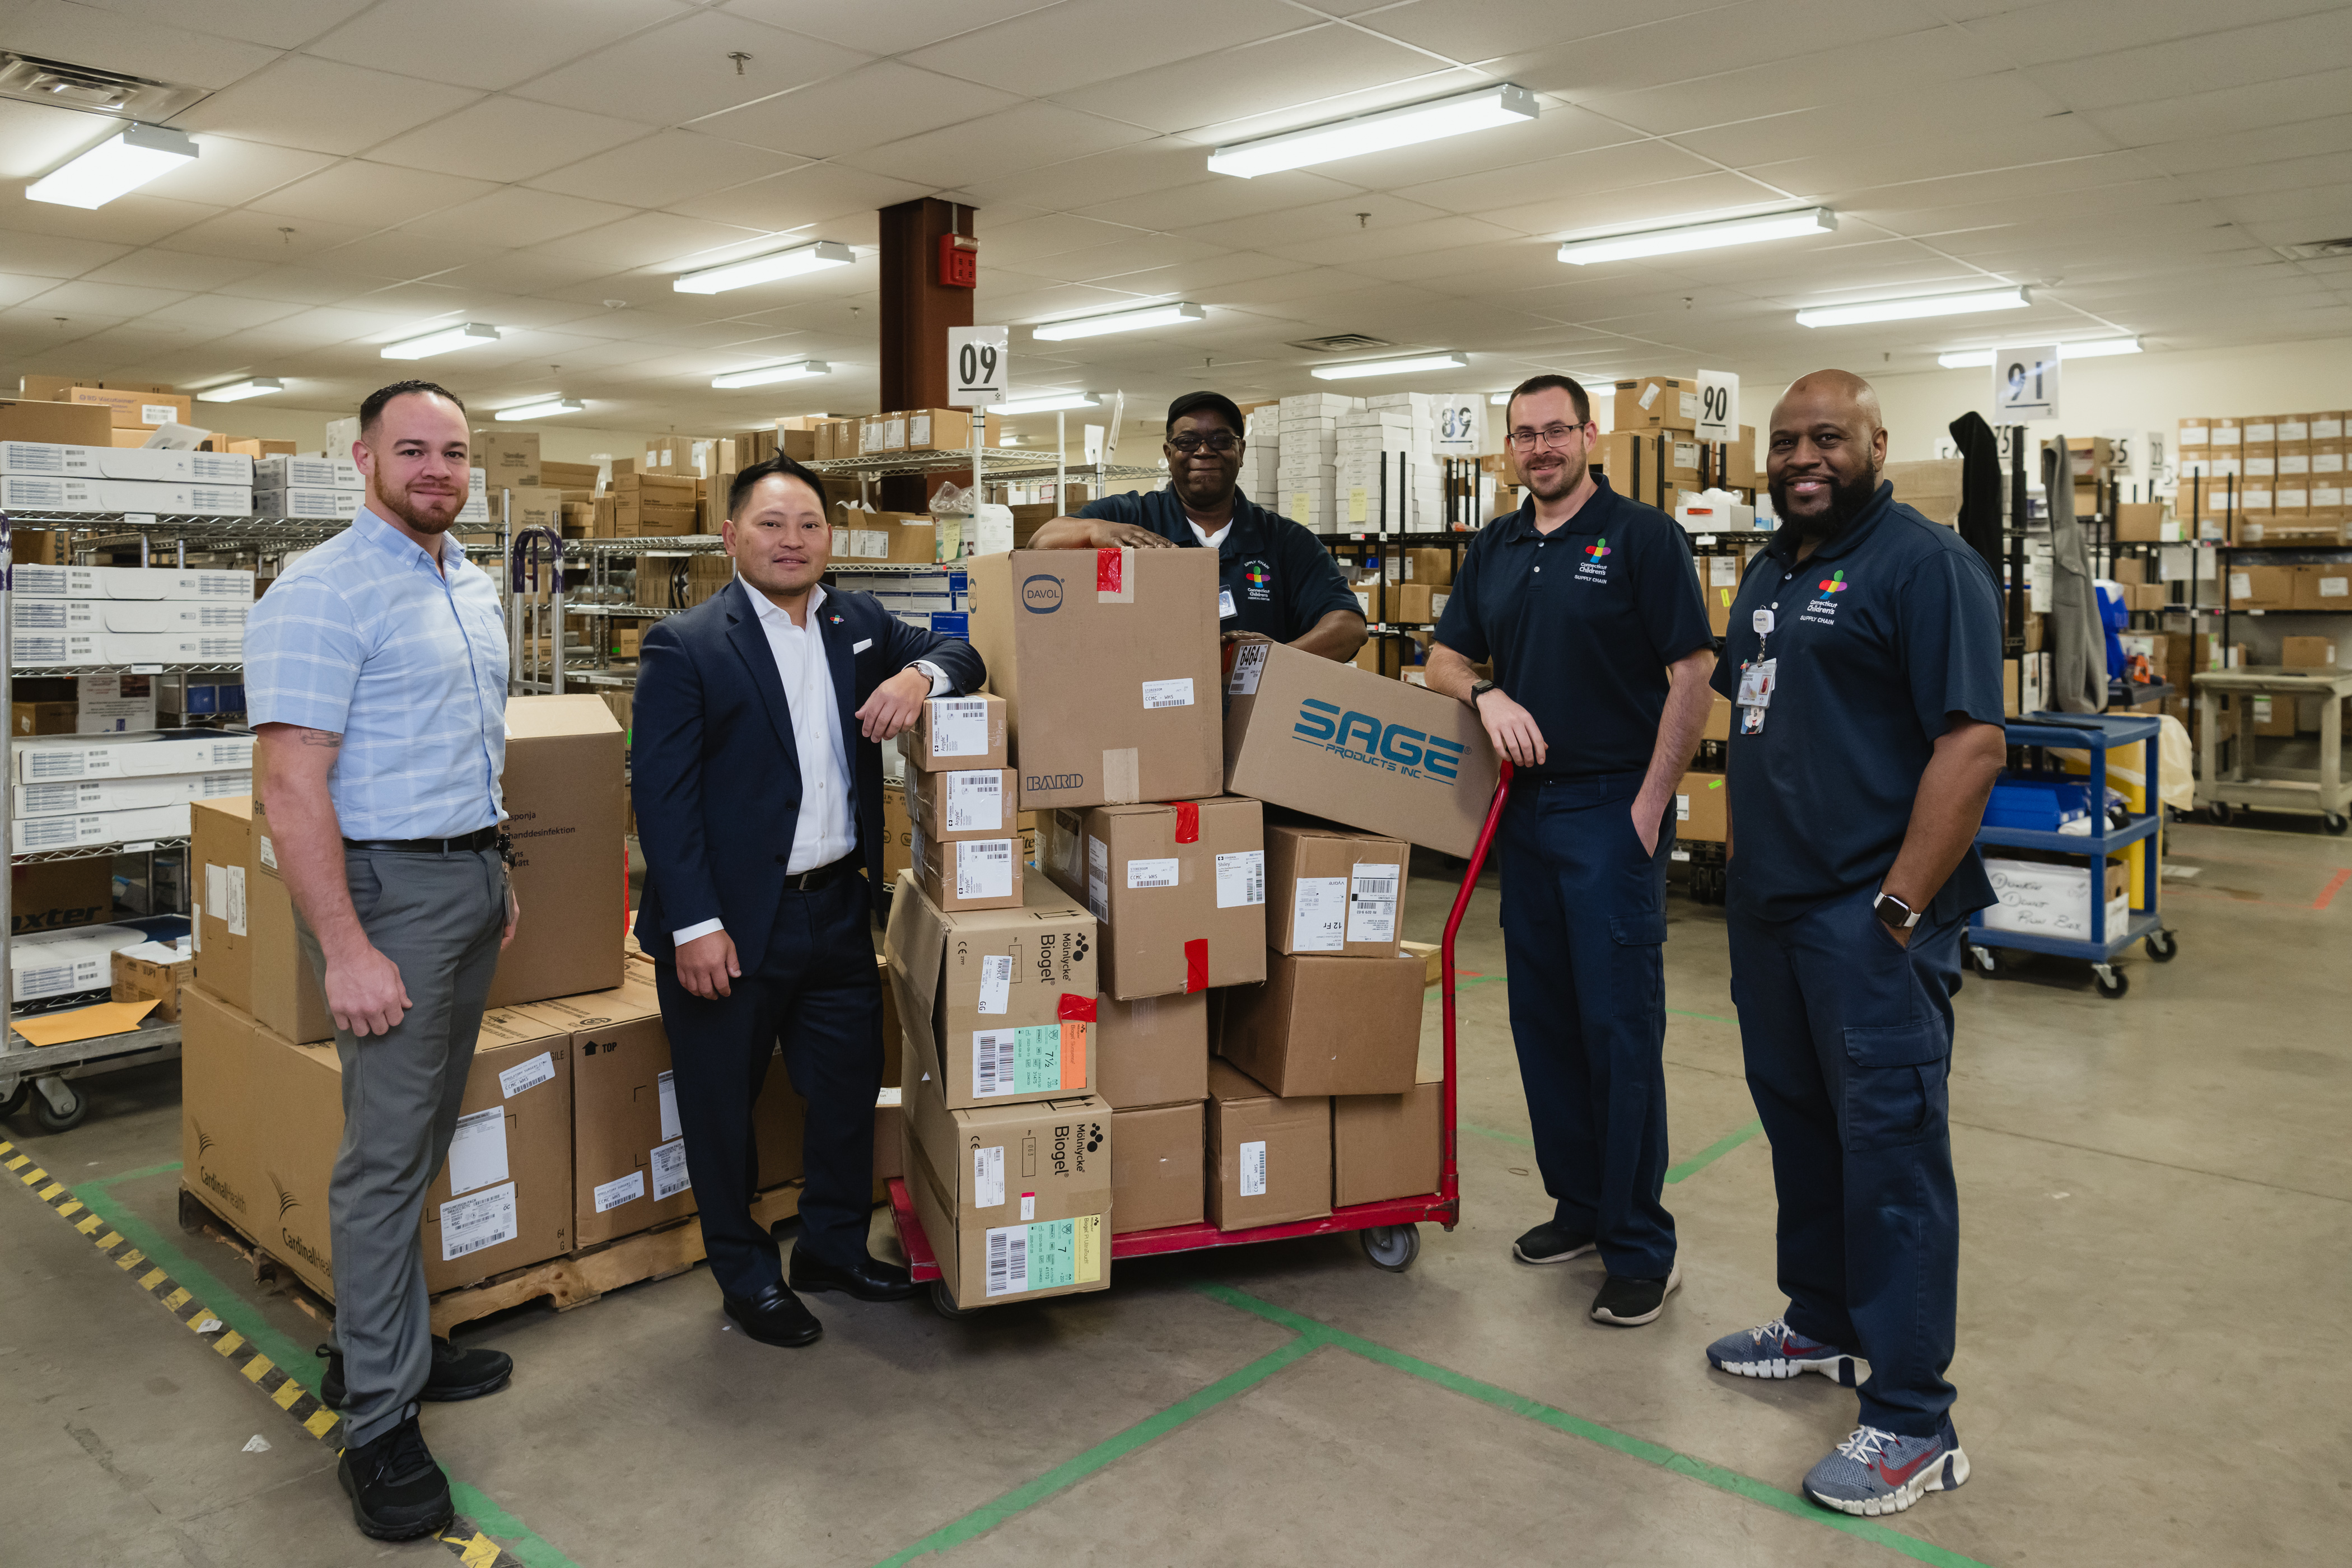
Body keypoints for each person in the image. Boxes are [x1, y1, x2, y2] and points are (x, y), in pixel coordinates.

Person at [1703, 370, 2005, 1518]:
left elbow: (1971, 744)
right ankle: (1823, 1321)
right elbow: (1767, 718)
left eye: (1827, 436)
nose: (1801, 456)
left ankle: (1915, 1416)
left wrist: (1898, 905)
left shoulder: (1927, 566)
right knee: (1804, 1126)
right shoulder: (1775, 565)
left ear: (1877, 442)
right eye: (1784, 441)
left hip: (1867, 920)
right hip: (1773, 912)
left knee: (1891, 1158)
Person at [245, 380, 518, 1543]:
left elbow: (474, 739)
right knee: (384, 1156)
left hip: (465, 878)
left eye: (453, 452)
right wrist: (346, 945)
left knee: (423, 1129)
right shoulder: (320, 589)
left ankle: (388, 1339)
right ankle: (378, 1416)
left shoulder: (470, 579)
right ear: (363, 458)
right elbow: (289, 784)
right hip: (387, 897)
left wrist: (497, 873)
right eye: (413, 449)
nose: (436, 469)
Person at [631, 452, 984, 1351]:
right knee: (723, 1105)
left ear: (831, 538)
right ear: (731, 537)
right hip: (732, 924)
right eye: (770, 524)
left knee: (845, 1087)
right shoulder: (688, 644)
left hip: (836, 908)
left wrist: (919, 679)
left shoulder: (856, 623)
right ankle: (746, 1274)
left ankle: (828, 1246)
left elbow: (965, 652)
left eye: (809, 526)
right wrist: (695, 925)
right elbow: (661, 802)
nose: (792, 541)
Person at [1424, 374, 1716, 1327]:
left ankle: (1641, 1244)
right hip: (1527, 811)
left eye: (1556, 431)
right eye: (1524, 436)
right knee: (1545, 1020)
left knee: (1618, 1029)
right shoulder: (1499, 545)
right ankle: (1581, 1207)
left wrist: (1652, 805)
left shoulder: (1642, 538)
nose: (1541, 448)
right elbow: (1443, 659)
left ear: (1591, 435)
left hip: (1611, 807)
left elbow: (1693, 670)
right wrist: (1486, 696)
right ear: (1507, 449)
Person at [1030, 390, 1366, 659]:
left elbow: (1349, 626)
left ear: (1241, 450)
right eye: (1188, 442)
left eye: (1221, 440)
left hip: (1254, 718)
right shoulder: (1131, 516)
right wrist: (1095, 530)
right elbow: (1040, 543)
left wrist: (1272, 663)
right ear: (1169, 452)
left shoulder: (1285, 540)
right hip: (1144, 707)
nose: (1204, 451)